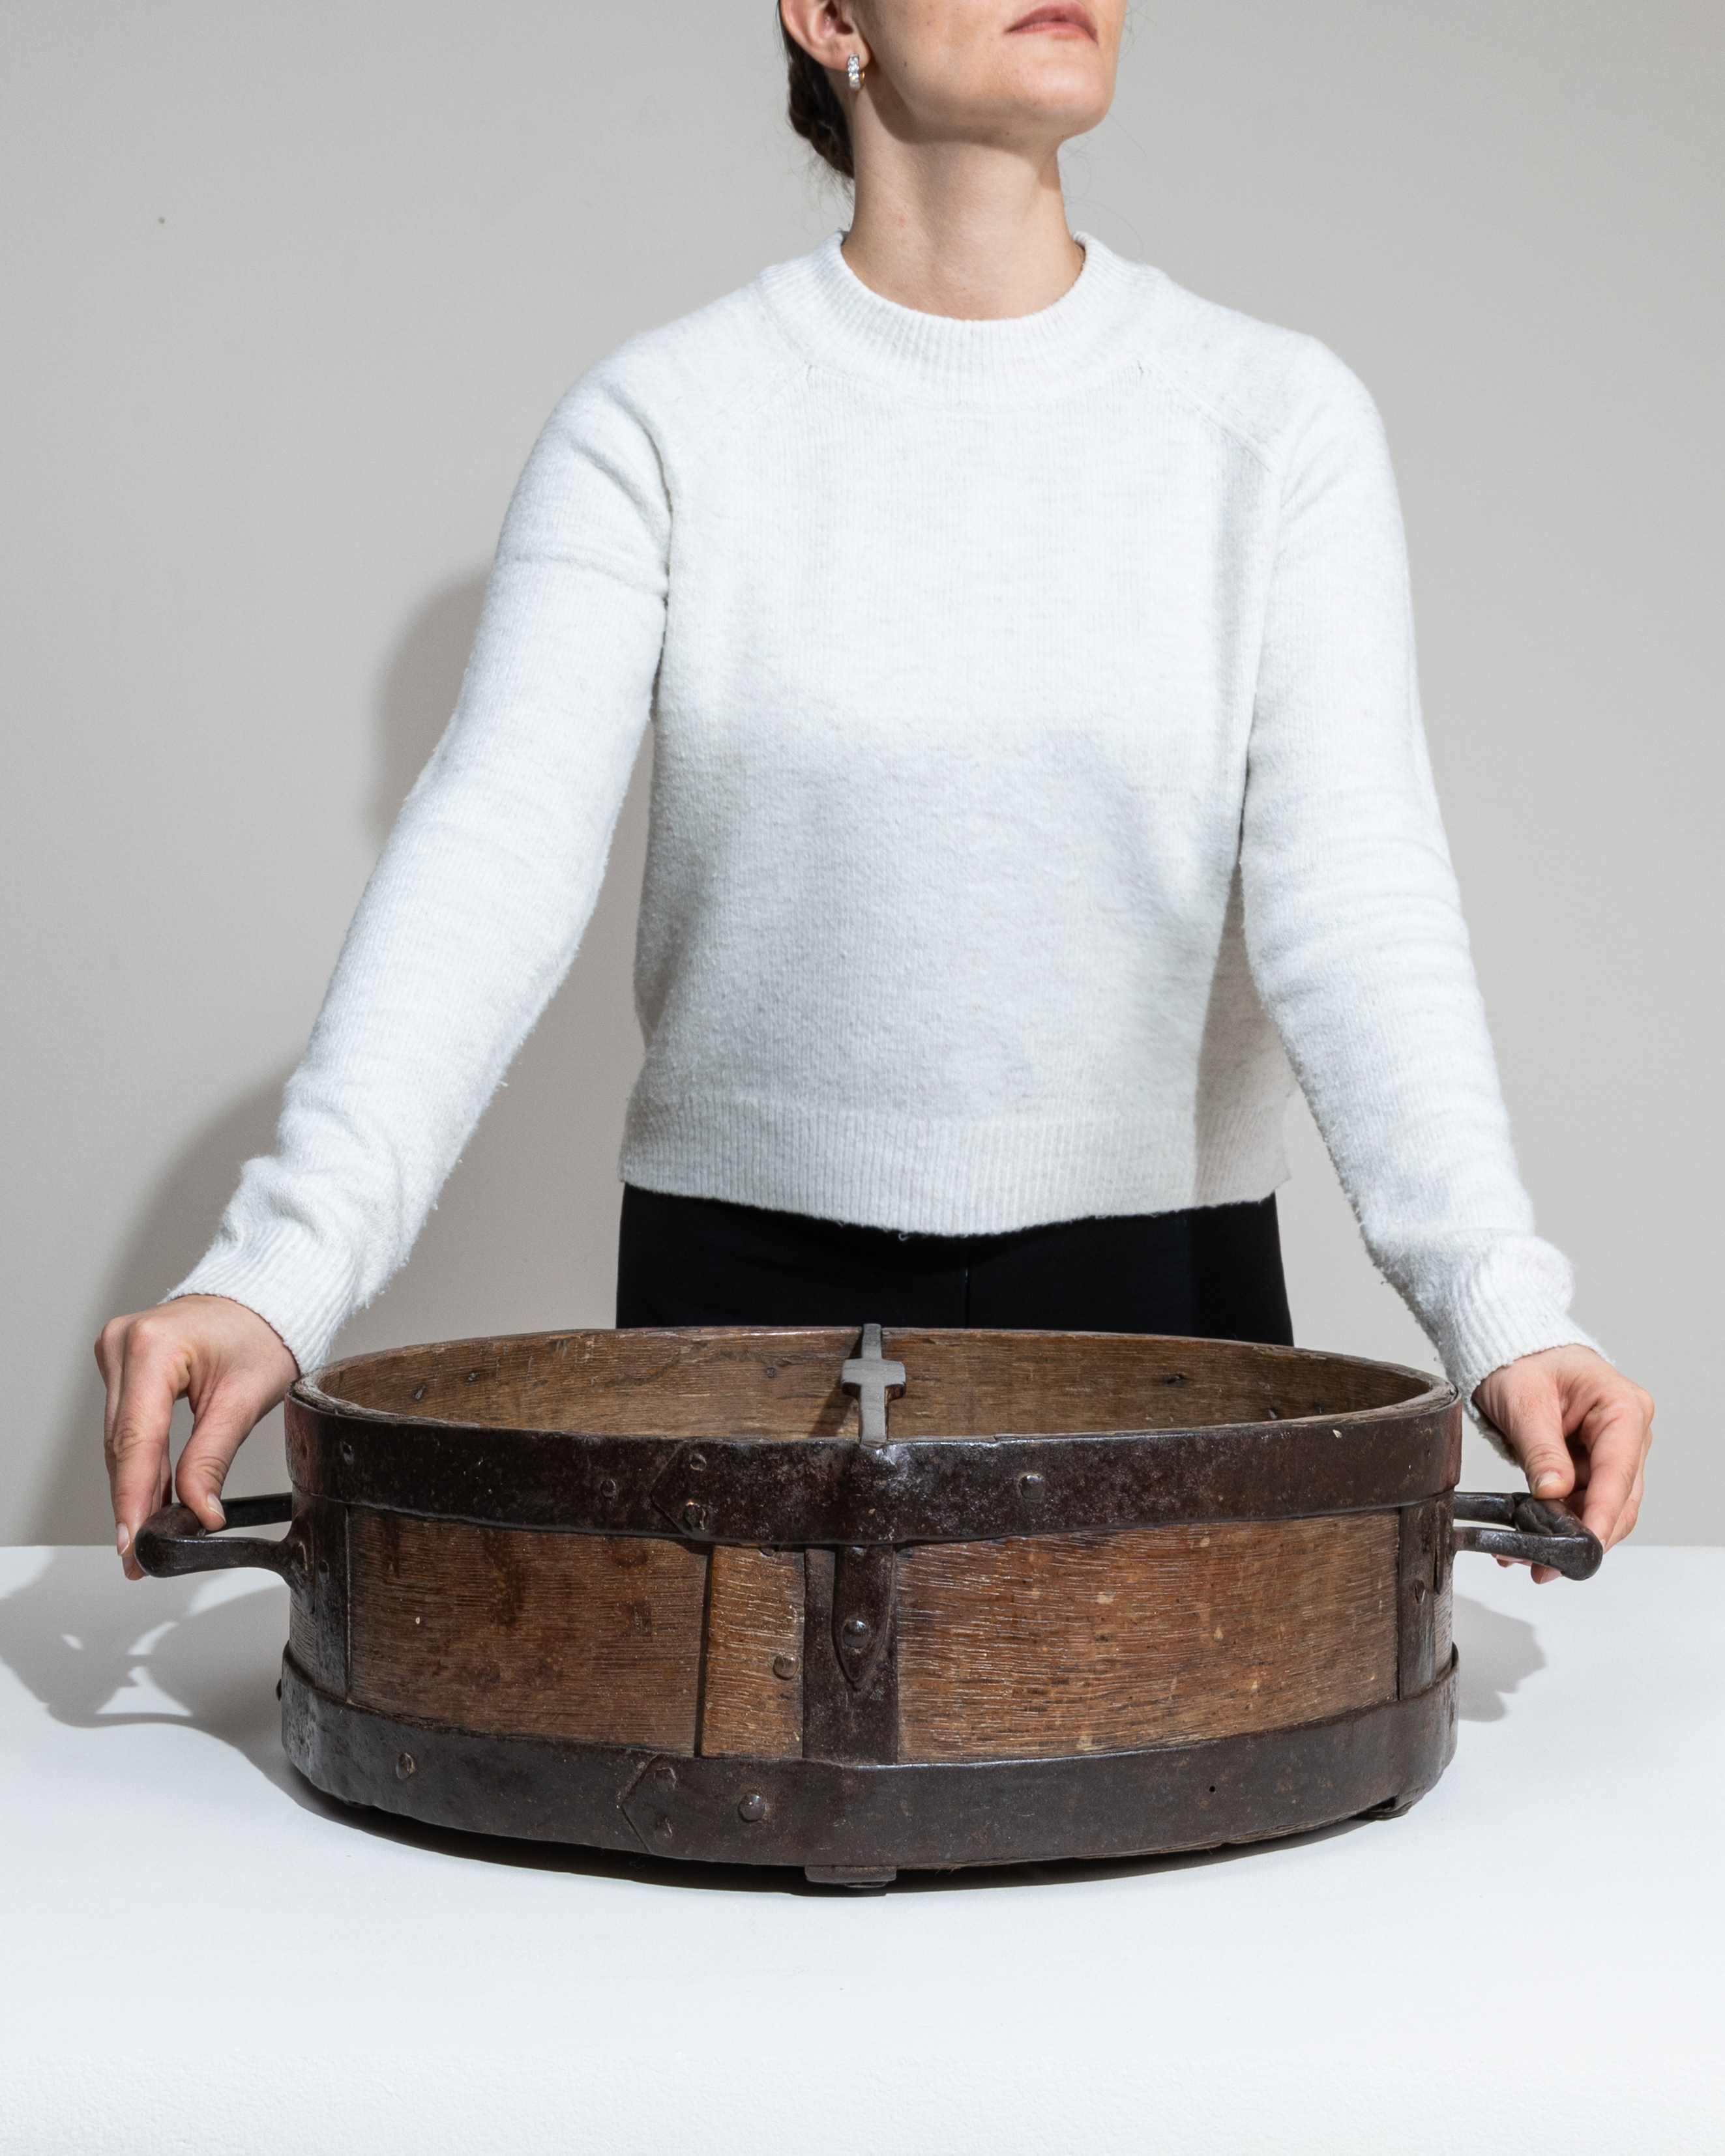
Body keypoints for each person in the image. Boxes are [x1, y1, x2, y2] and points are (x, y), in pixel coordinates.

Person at [98, 0, 1652, 1584]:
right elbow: (494, 851)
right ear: (829, 14)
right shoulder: (663, 421)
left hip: (1167, 1308)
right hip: (736, 1321)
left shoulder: (1275, 423)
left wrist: (1500, 1304)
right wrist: (277, 1269)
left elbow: (1359, 892)